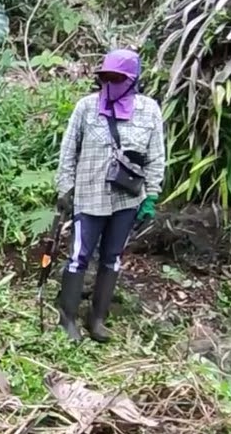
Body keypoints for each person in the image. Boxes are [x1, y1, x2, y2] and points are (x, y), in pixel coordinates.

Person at [54, 48, 165, 343]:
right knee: (78, 256)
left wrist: (151, 197)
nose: (110, 83)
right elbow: (68, 150)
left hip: (127, 199)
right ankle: (67, 317)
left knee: (112, 258)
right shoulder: (86, 107)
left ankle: (98, 318)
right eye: (105, 77)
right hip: (88, 196)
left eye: (117, 78)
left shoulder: (149, 111)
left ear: (132, 80)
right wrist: (65, 189)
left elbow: (156, 157)